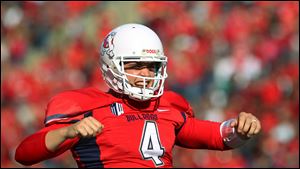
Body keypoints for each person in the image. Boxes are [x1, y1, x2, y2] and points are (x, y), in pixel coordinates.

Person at [15, 23, 261, 168]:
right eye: (135, 65)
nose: (145, 73)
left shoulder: (167, 106)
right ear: (112, 66)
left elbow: (216, 137)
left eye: (151, 66)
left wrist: (239, 129)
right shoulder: (86, 106)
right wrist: (69, 131)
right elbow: (24, 155)